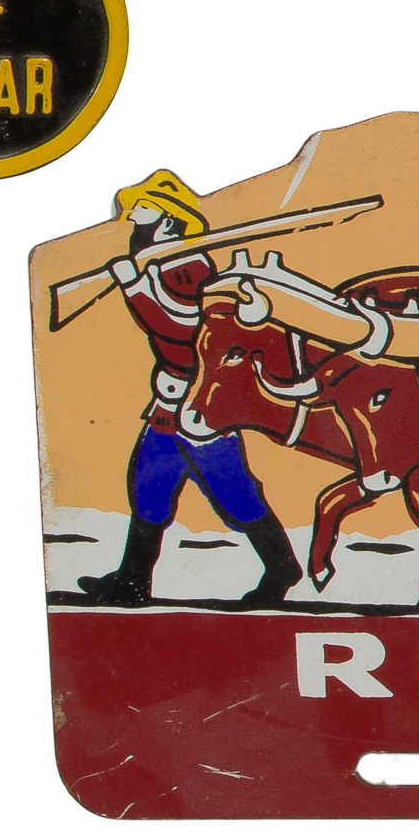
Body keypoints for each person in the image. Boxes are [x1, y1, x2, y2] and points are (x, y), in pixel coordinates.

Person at [65, 171, 304, 608]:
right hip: (168, 402)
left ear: (168, 219)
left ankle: (280, 566)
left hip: (200, 403)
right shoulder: (158, 262)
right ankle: (133, 581)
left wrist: (133, 287)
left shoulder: (188, 265)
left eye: (143, 207)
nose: (132, 214)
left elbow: (183, 331)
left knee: (234, 493)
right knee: (149, 489)